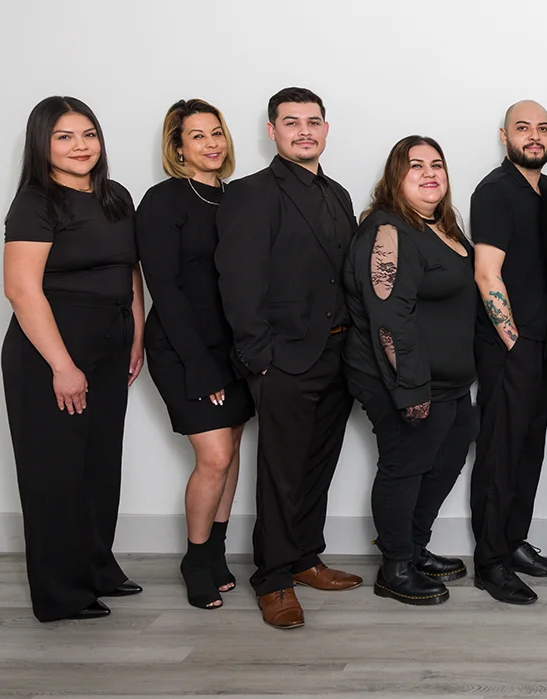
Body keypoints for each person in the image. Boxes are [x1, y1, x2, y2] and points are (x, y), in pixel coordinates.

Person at [215, 87, 362, 630]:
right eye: (291, 121)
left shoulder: (339, 194)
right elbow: (238, 280)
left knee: (317, 465)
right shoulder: (251, 193)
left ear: (326, 128)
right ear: (272, 131)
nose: (304, 130)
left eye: (313, 121)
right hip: (283, 359)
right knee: (281, 472)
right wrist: (261, 357)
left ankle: (304, 557)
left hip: (339, 354)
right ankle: (273, 577)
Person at [2, 96, 144, 622]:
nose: (81, 146)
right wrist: (62, 365)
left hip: (112, 343)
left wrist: (136, 335)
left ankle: (97, 567)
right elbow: (21, 290)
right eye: (64, 136)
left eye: (88, 134)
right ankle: (60, 594)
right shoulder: (36, 202)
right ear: (42, 144)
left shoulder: (116, 195)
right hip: (52, 351)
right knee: (56, 472)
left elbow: (129, 271)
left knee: (100, 465)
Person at [343, 136, 477, 607]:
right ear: (395, 177)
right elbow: (389, 318)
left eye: (436, 164)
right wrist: (411, 387)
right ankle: (395, 567)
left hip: (449, 380)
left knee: (447, 458)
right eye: (415, 165)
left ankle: (415, 547)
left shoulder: (443, 225)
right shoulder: (387, 230)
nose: (429, 173)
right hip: (404, 378)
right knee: (405, 466)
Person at [135, 98, 255, 610]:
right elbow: (164, 289)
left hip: (234, 347)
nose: (211, 143)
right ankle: (196, 558)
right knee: (215, 456)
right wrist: (200, 366)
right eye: (198, 135)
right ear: (178, 148)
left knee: (233, 450)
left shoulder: (238, 198)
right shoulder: (163, 201)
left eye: (216, 133)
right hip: (182, 347)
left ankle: (217, 552)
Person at [469, 100, 547, 605]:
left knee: (529, 449)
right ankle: (490, 562)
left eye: (542, 128)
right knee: (500, 454)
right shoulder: (495, 191)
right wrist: (514, 341)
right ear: (503, 135)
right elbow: (488, 274)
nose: (534, 136)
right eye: (523, 128)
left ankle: (512, 543)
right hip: (511, 345)